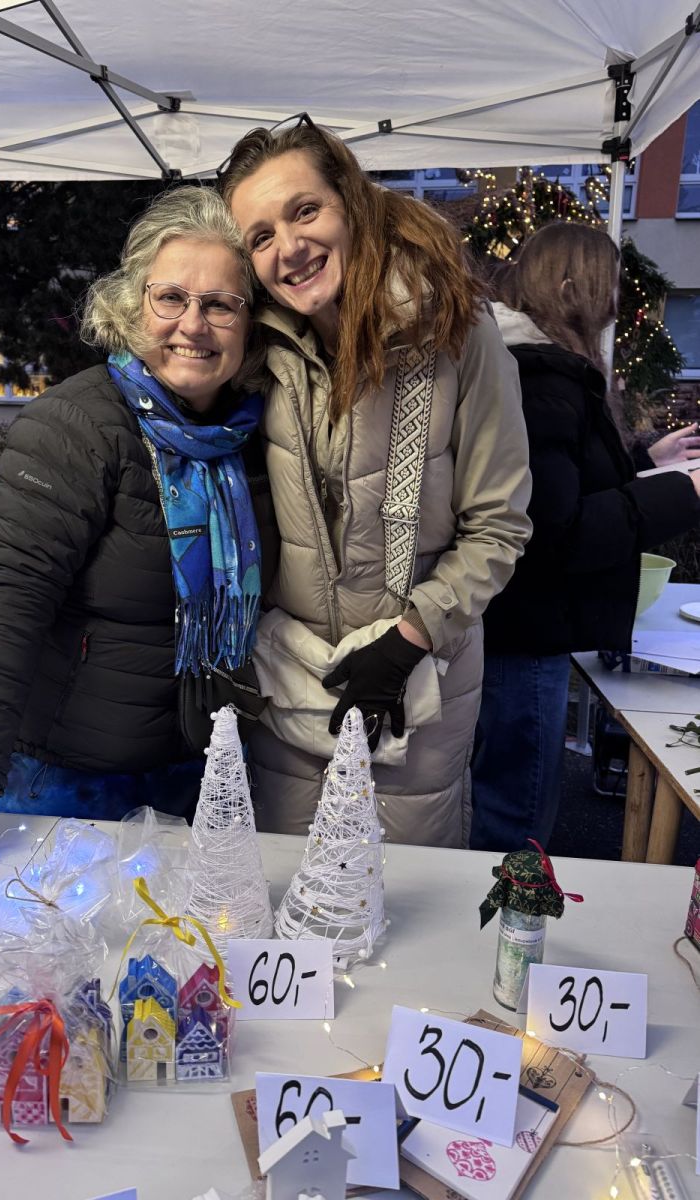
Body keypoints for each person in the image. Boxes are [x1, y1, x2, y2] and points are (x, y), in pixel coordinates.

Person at [0, 186, 274, 880]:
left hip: (200, 772)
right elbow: (9, 606)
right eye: (170, 297)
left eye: (220, 304)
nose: (193, 324)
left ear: (248, 322)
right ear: (133, 305)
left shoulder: (254, 437)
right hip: (69, 781)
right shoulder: (75, 425)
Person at [219, 117, 533, 846]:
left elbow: (499, 526)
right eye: (261, 237)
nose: (288, 247)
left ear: (351, 203)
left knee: (407, 891)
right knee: (289, 888)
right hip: (291, 678)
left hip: (420, 679)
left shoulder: (455, 331)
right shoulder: (259, 347)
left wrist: (409, 641)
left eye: (304, 211)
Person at [471, 222, 700, 852]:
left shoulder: (530, 367)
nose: (618, 303)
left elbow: (563, 483)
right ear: (575, 288)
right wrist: (682, 493)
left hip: (517, 630)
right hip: (523, 636)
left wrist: (646, 460)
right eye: (612, 285)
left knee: (511, 804)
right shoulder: (542, 380)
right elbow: (556, 533)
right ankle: (505, 914)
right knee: (517, 821)